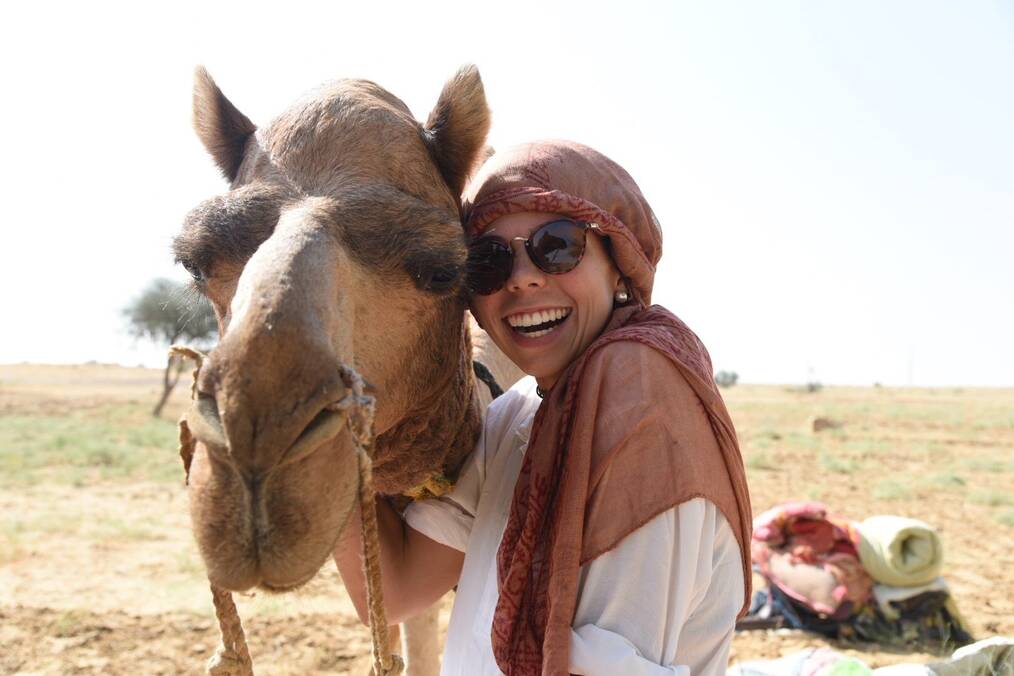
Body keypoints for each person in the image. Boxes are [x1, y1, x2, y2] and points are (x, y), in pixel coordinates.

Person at [334, 140, 753, 676]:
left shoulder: (638, 381)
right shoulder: (516, 415)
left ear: (618, 263)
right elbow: (397, 591)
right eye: (489, 262)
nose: (522, 278)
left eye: (557, 246)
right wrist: (327, 432)